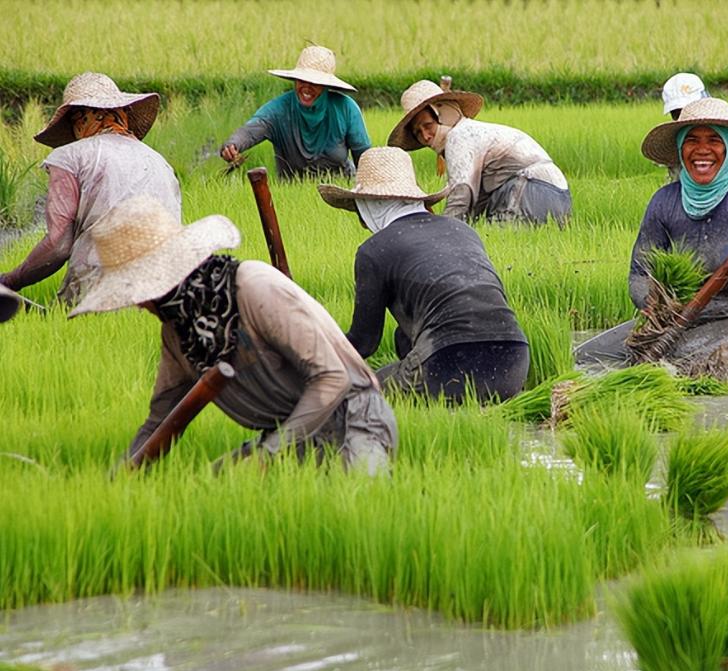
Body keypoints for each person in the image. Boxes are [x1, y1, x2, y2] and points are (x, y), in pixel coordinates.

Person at [69, 196, 396, 475]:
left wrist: (268, 454)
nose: (139, 304)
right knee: (211, 488)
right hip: (285, 435)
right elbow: (162, 419)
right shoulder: (179, 330)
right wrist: (122, 476)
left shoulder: (254, 287)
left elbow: (332, 378)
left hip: (355, 419)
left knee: (359, 495)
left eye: (139, 291)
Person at [575, 98, 728, 374]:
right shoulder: (664, 201)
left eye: (714, 140)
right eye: (692, 140)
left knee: (677, 364)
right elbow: (639, 273)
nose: (702, 150)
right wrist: (655, 304)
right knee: (587, 357)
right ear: (681, 148)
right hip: (686, 315)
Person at [318, 147, 530, 402]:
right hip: (514, 363)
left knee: (359, 395)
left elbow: (364, 343)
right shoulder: (463, 231)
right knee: (403, 337)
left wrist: (315, 357)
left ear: (370, 205)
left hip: (447, 366)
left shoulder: (373, 250)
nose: (362, 221)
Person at [0, 72, 181, 306]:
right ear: (121, 113)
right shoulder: (160, 162)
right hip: (166, 293)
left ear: (79, 120)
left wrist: (10, 280)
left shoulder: (69, 156)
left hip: (99, 293)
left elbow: (58, 246)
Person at [387, 80, 571, 227]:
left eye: (428, 126)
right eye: (418, 133)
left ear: (443, 113)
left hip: (529, 190)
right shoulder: (473, 133)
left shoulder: (459, 136)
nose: (425, 136)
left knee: (500, 247)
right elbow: (475, 203)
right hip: (558, 195)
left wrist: (443, 234)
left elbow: (462, 193)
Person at [220, 45, 370, 180]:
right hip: (291, 190)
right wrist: (233, 145)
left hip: (338, 190)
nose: (306, 87)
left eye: (314, 82)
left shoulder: (345, 108)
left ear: (325, 86)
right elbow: (252, 130)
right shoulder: (279, 110)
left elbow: (364, 158)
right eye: (301, 80)